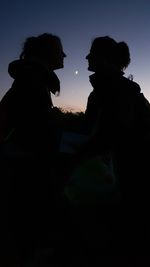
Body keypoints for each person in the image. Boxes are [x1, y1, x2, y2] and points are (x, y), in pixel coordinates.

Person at [0, 33, 68, 264]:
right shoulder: (33, 81)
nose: (64, 55)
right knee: (25, 215)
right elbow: (34, 131)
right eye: (60, 50)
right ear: (46, 53)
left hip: (22, 161)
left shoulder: (31, 79)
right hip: (24, 164)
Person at [83, 36, 150, 265]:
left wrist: (79, 150)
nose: (87, 57)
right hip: (114, 174)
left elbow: (115, 133)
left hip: (121, 176)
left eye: (91, 52)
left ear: (105, 58)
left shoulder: (116, 90)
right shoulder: (106, 89)